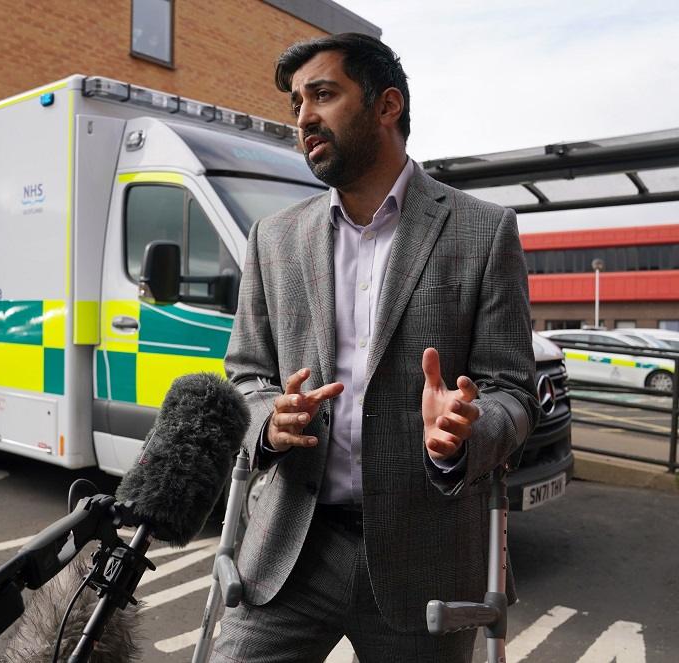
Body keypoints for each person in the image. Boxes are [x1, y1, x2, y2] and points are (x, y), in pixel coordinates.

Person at [213, 33, 539, 663]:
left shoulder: (482, 229)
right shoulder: (273, 238)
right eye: (296, 105)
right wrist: (268, 421)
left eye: (324, 94)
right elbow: (245, 374)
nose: (304, 117)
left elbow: (513, 391)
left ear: (388, 106)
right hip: (290, 552)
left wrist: (466, 430)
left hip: (425, 559)